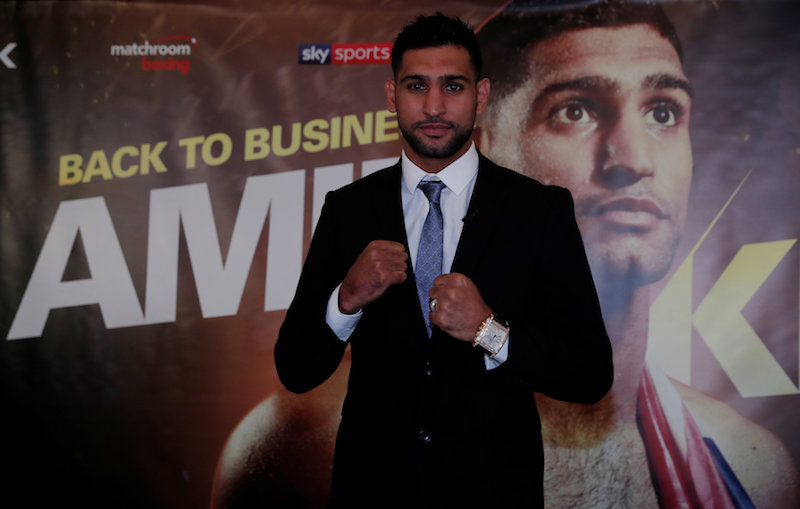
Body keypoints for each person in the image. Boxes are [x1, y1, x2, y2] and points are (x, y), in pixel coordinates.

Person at [271, 12, 611, 508]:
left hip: (492, 491)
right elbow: (295, 368)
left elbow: (590, 374)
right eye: (416, 86)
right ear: (392, 97)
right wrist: (346, 299)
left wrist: (489, 331)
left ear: (482, 95)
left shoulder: (537, 210)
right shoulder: (349, 210)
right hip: (374, 490)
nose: (434, 105)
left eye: (453, 86)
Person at [475, 1, 799, 508]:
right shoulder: (333, 420)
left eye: (663, 112)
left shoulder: (752, 467)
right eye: (575, 110)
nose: (634, 159)